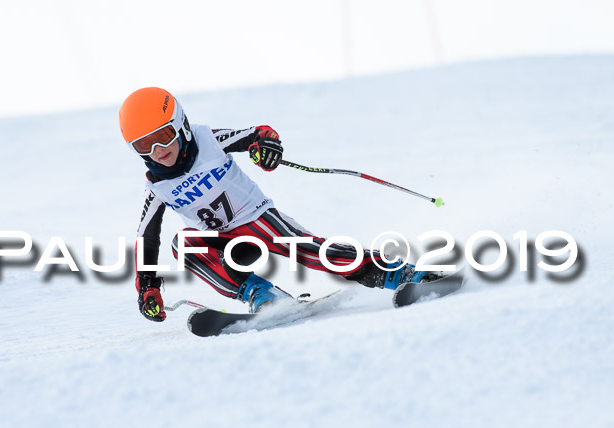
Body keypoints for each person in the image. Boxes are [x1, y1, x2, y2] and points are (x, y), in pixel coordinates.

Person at [119, 87, 434, 322]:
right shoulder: (157, 187)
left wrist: (263, 147)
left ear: (181, 125)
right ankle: (262, 295)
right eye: (145, 145)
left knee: (312, 251)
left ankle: (399, 273)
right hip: (228, 244)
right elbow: (147, 238)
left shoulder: (208, 141)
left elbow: (255, 134)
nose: (159, 149)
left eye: (164, 135)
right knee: (182, 244)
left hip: (257, 219)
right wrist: (147, 285)